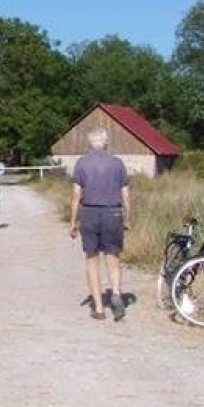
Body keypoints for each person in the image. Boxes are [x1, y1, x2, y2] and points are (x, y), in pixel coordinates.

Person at [69, 127, 131, 321]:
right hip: (113, 212)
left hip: (89, 212)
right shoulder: (117, 164)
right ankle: (116, 294)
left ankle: (98, 308)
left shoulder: (81, 164)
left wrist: (73, 221)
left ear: (90, 144)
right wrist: (127, 217)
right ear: (106, 143)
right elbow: (126, 194)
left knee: (92, 259)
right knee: (113, 258)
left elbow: (76, 196)